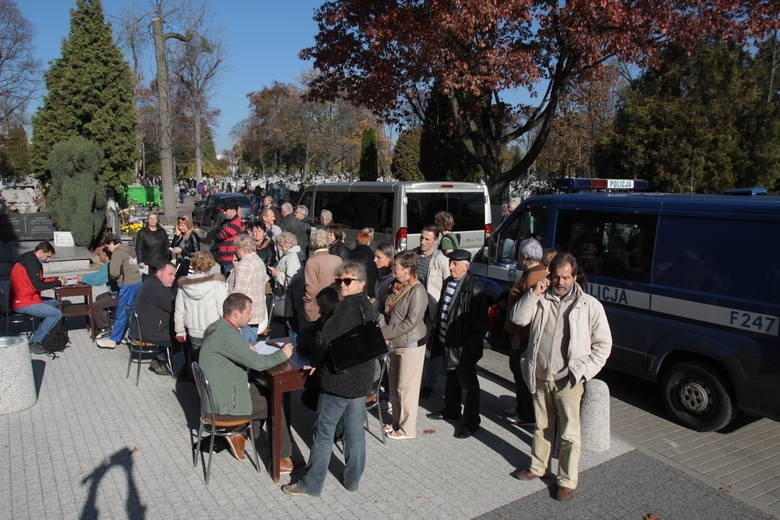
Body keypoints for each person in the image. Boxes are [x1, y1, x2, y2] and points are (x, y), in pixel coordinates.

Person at [509, 252, 612, 501]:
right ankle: (538, 467)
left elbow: (603, 344)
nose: (560, 282)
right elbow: (517, 318)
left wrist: (585, 371)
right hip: (541, 374)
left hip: (569, 379)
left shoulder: (589, 305)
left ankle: (566, 480)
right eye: (556, 277)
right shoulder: (541, 298)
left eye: (565, 277)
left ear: (574, 276)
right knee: (541, 426)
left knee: (569, 433)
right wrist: (533, 293)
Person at [282, 262, 376, 497]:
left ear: (361, 283)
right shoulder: (368, 304)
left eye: (348, 281)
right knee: (355, 432)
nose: (342, 285)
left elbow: (323, 338)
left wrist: (315, 363)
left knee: (323, 432)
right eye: (339, 281)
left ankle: (311, 484)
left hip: (338, 379)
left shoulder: (347, 307)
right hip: (361, 378)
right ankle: (352, 480)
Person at [199, 293, 295, 471]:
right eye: (248, 311)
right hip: (224, 406)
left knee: (264, 392)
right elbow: (258, 364)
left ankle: (247, 434)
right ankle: (281, 458)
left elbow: (231, 350)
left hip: (218, 395)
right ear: (236, 313)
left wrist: (245, 349)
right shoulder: (228, 336)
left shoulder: (218, 327)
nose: (251, 315)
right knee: (275, 402)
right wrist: (283, 354)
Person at [426, 249, 489, 438]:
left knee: (469, 386)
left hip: (463, 346)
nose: (450, 267)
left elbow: (480, 325)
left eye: (455, 264)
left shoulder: (476, 289)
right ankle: (451, 409)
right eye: (450, 262)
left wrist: (469, 350)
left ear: (466, 266)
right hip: (447, 341)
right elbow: (442, 311)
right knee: (450, 377)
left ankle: (471, 422)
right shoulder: (448, 282)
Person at [379, 251, 428, 440]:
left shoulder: (417, 290)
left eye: (396, 267)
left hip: (410, 344)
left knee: (406, 387)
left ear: (408, 270)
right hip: (393, 342)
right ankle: (396, 422)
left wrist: (384, 333)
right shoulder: (394, 285)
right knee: (394, 386)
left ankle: (407, 429)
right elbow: (384, 310)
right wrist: (383, 328)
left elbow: (411, 322)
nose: (392, 269)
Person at [503, 238, 549, 425]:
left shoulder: (533, 276)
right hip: (522, 333)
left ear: (524, 256)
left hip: (522, 335)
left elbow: (529, 311)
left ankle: (526, 413)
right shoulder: (536, 272)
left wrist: (518, 335)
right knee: (520, 372)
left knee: (521, 372)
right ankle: (522, 407)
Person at [416, 225, 455, 397]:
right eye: (422, 238)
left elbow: (448, 284)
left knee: (433, 347)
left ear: (436, 241)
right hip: (415, 307)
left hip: (432, 307)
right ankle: (416, 378)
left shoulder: (441, 260)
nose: (423, 242)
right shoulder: (414, 255)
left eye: (427, 239)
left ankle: (428, 384)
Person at [9, 241, 65, 352]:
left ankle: (45, 330)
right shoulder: (31, 263)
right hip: (22, 302)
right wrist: (57, 283)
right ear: (40, 252)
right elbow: (38, 285)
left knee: (54, 303)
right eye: (47, 256)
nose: (48, 260)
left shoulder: (30, 259)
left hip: (27, 297)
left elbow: (37, 281)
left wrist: (55, 279)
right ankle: (35, 341)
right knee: (56, 314)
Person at [174, 251, 227, 361]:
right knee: (213, 361)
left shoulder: (184, 286)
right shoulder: (218, 285)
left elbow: (179, 311)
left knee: (197, 361)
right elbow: (223, 310)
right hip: (213, 330)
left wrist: (179, 331)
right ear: (211, 264)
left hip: (193, 331)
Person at [96, 236, 142, 349]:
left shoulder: (117, 253)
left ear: (112, 242)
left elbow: (114, 273)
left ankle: (114, 339)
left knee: (122, 311)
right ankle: (132, 337)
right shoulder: (129, 249)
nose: (108, 249)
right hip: (137, 282)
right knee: (132, 311)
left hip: (127, 284)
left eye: (108, 246)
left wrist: (113, 278)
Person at [134, 263, 179, 376]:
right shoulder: (157, 289)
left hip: (144, 327)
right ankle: (177, 368)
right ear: (159, 273)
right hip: (153, 331)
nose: (173, 278)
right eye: (170, 274)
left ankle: (161, 358)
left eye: (174, 275)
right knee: (182, 334)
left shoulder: (151, 282)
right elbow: (174, 309)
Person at [226, 234, 268, 343]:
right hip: (256, 310)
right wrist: (236, 267)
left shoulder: (245, 264)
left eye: (236, 249)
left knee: (244, 348)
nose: (235, 252)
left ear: (241, 248)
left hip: (244, 312)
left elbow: (239, 293)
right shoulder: (257, 260)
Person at [302, 229, 342, 327]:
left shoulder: (312, 261)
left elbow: (310, 288)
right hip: (335, 305)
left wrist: (306, 301)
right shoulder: (337, 260)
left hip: (317, 307)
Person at [77, 246, 118, 337]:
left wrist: (83, 278)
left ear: (104, 255)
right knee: (99, 298)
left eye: (99, 255)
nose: (99, 257)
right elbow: (98, 274)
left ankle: (104, 328)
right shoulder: (109, 263)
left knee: (96, 305)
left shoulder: (110, 265)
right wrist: (84, 277)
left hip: (118, 294)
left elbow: (99, 279)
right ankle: (110, 319)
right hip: (115, 292)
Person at [212, 200, 245, 275]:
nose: (224, 212)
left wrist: (219, 229)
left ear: (233, 211)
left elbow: (220, 235)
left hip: (230, 258)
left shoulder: (236, 222)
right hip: (226, 257)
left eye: (226, 210)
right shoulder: (229, 221)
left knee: (228, 279)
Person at [348, 231, 377, 298]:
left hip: (353, 284)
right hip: (368, 286)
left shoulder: (351, 253)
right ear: (367, 241)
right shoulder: (371, 254)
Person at [372, 242, 395, 312]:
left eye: (379, 257)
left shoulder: (394, 279)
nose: (374, 260)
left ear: (389, 258)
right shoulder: (380, 272)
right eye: (375, 256)